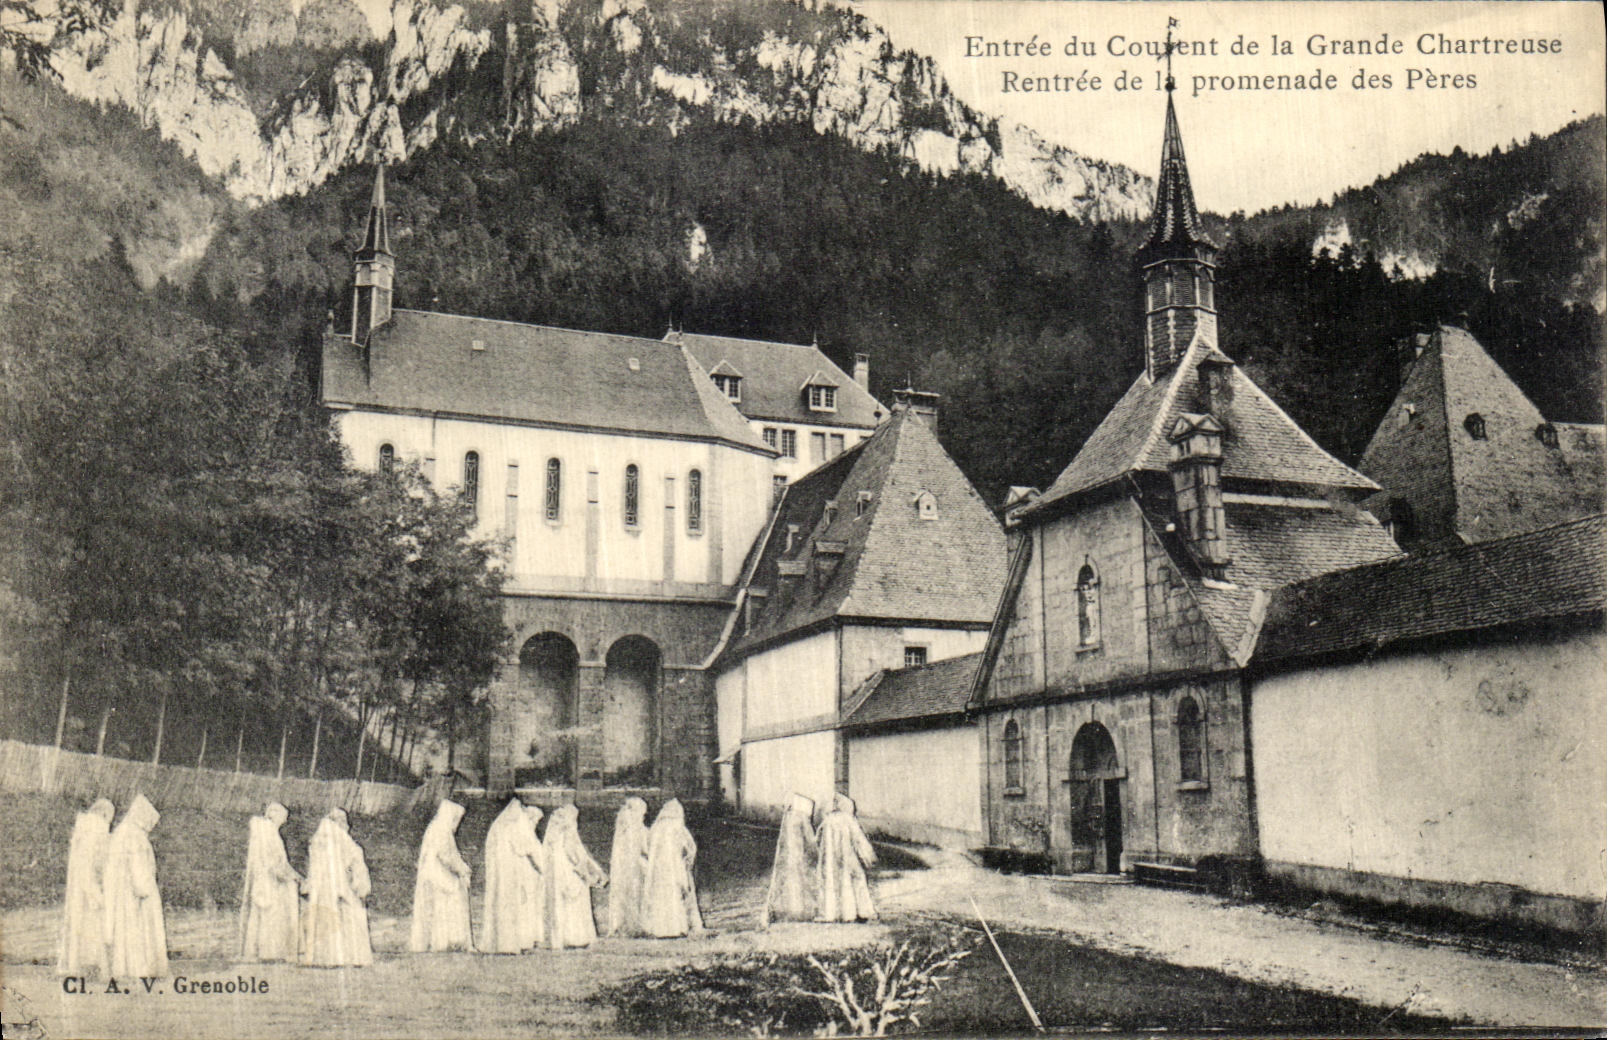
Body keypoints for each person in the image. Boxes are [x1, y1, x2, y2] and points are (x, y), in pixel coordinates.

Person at [103, 794, 168, 978]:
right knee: (140, 929)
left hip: (121, 890)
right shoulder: (135, 836)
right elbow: (138, 868)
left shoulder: (120, 833)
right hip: (135, 891)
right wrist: (145, 889)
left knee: (125, 929)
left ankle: (125, 967)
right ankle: (140, 967)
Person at [301, 809, 372, 967]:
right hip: (343, 886)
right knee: (349, 917)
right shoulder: (345, 842)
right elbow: (354, 864)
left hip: (323, 889)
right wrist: (360, 886)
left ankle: (326, 958)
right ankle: (352, 956)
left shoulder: (318, 841)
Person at [58, 797, 115, 976]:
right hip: (91, 881)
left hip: (79, 883)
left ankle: (77, 962)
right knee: (94, 921)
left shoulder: (82, 827)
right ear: (104, 814)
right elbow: (98, 859)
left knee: (78, 922)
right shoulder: (99, 828)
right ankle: (94, 963)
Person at [240, 802, 302, 963]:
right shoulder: (270, 834)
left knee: (264, 916)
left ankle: (263, 951)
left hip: (264, 879)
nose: (284, 821)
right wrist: (292, 876)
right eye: (283, 817)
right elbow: (275, 862)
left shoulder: (263, 833)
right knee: (273, 915)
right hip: (272, 881)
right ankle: (271, 952)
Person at [409, 799, 473, 952]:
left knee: (434, 908)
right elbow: (447, 856)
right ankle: (448, 940)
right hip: (439, 875)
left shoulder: (433, 828)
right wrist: (462, 869)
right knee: (448, 902)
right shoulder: (442, 831)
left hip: (430, 873)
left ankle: (434, 941)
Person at [481, 799, 544, 953]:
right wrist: (543, 868)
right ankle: (519, 942)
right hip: (516, 874)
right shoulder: (519, 826)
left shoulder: (500, 827)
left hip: (504, 875)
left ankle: (505, 942)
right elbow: (529, 849)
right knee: (519, 907)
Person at [541, 804, 606, 948]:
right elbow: (572, 852)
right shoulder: (569, 830)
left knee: (560, 902)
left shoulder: (554, 833)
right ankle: (575, 937)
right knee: (575, 901)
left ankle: (560, 937)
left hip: (557, 871)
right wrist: (584, 871)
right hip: (568, 869)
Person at [640, 799, 702, 939]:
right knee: (674, 895)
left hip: (658, 869)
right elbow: (690, 846)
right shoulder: (677, 826)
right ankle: (676, 927)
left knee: (660, 896)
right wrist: (687, 861)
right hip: (674, 866)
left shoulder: (656, 827)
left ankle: (659, 929)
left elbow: (648, 845)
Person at [815, 794, 877, 923]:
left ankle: (831, 913)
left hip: (830, 859)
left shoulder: (826, 821)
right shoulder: (849, 820)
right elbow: (858, 839)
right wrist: (867, 856)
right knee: (855, 879)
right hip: (848, 857)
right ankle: (859, 912)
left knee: (831, 882)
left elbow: (818, 840)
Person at [762, 793, 817, 927]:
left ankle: (783, 910)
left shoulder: (789, 817)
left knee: (785, 882)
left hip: (786, 855)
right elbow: (810, 840)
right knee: (800, 882)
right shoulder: (802, 818)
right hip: (799, 855)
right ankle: (799, 911)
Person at [605, 797, 650, 937]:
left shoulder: (622, 830)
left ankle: (621, 924)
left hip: (622, 868)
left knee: (623, 895)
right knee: (637, 894)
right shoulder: (640, 830)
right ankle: (636, 925)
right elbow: (645, 849)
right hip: (636, 866)